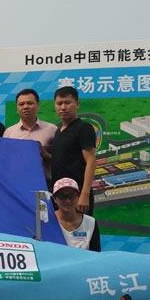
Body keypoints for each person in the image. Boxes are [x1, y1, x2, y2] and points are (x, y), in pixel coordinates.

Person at [51, 86, 97, 215]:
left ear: (77, 104)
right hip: (60, 195)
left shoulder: (84, 128)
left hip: (76, 196)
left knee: (81, 228)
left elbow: (91, 161)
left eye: (67, 103)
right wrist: (45, 154)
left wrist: (84, 195)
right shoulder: (58, 132)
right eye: (59, 103)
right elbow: (63, 158)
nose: (63, 107)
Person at [3, 88, 58, 184]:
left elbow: (61, 160)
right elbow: (4, 162)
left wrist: (45, 154)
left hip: (45, 184)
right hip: (17, 183)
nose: (25, 107)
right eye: (21, 104)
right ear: (17, 108)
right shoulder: (9, 133)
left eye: (30, 103)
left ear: (38, 106)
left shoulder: (52, 129)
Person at [52, 177, 100, 252]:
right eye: (62, 196)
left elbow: (96, 254)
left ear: (78, 197)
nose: (67, 200)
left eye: (72, 196)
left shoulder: (90, 223)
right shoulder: (48, 222)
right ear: (54, 199)